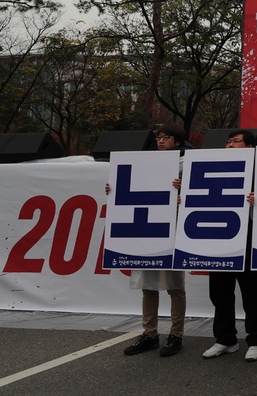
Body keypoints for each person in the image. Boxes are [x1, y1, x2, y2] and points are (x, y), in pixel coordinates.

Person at [106, 122, 189, 358]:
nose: (161, 141)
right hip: (148, 229)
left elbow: (203, 193)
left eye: (166, 137)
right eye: (159, 137)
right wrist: (114, 189)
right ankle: (150, 333)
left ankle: (176, 334)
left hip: (172, 229)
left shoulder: (189, 163)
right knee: (148, 287)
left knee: (175, 287)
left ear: (178, 141)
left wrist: (187, 187)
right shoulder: (146, 162)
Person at [203, 129, 257, 362]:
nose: (230, 145)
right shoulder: (214, 167)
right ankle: (225, 339)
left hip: (248, 237)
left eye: (236, 141)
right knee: (219, 292)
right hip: (220, 238)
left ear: (250, 147)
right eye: (228, 142)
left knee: (251, 292)